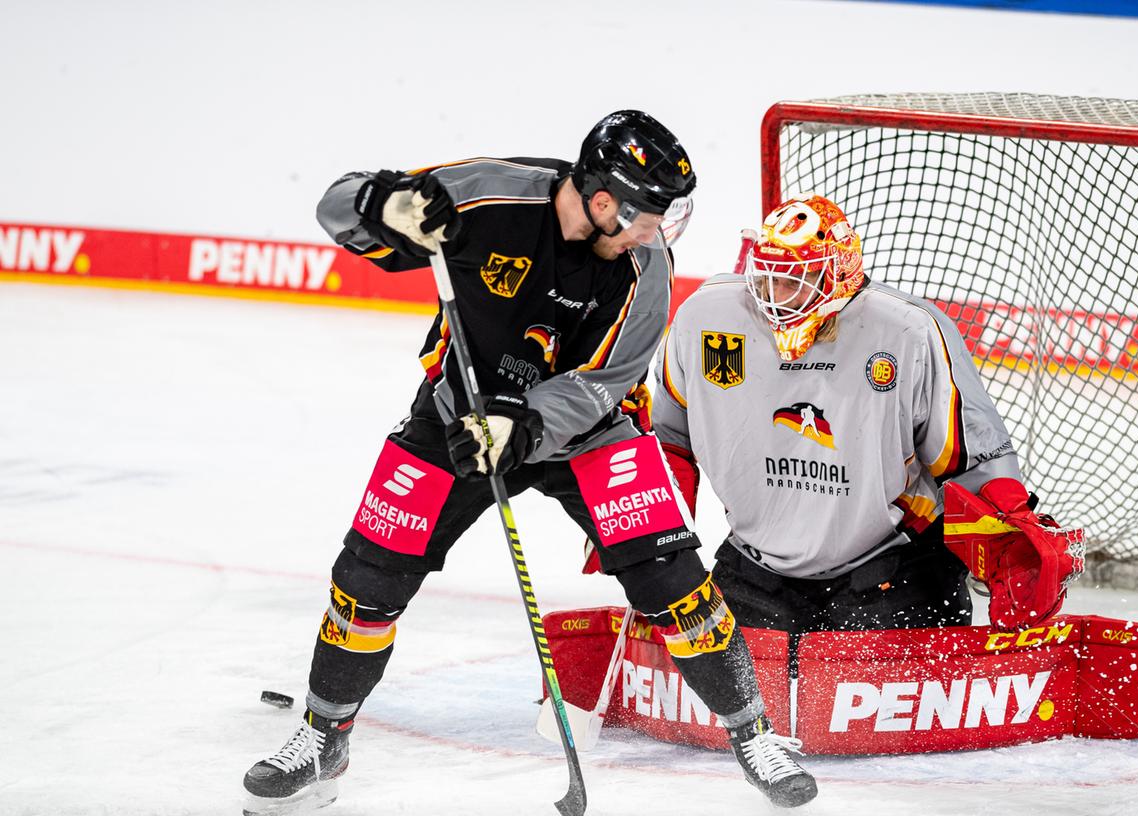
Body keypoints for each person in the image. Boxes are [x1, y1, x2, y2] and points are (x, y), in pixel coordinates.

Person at [241, 112, 816, 815]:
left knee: (676, 583)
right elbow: (338, 204)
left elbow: (606, 381)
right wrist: (383, 207)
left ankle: (753, 734)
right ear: (605, 201)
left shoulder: (646, 269)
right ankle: (323, 734)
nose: (653, 234)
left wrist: (525, 423)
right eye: (645, 217)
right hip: (455, 418)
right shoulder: (490, 194)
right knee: (366, 579)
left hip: (587, 436)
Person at [653, 195, 1082, 637]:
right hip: (757, 566)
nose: (775, 298)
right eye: (767, 280)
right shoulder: (706, 320)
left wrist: (1007, 535)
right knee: (731, 698)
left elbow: (971, 457)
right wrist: (653, 536)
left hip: (894, 565)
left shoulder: (905, 331)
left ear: (839, 273)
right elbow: (667, 438)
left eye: (796, 280)